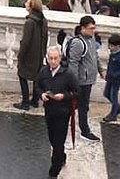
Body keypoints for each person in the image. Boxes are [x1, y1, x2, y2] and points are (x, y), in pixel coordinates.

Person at [37, 44, 78, 178]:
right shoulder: (44, 72)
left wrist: (64, 96)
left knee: (58, 142)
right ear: (47, 59)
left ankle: (54, 171)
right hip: (49, 111)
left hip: (63, 112)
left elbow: (77, 92)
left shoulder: (68, 74)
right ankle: (62, 156)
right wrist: (41, 95)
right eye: (50, 58)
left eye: (55, 58)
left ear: (60, 58)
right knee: (52, 139)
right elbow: (37, 87)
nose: (53, 61)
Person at [64, 15, 101, 141]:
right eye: (91, 28)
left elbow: (95, 56)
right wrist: (73, 83)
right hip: (81, 81)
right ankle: (85, 131)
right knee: (81, 106)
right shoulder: (78, 43)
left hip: (88, 79)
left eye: (94, 28)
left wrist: (101, 70)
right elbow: (73, 64)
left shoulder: (91, 39)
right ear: (82, 28)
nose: (93, 31)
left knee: (81, 105)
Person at [14, 0, 49, 110]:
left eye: (27, 2)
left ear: (31, 6)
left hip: (29, 54)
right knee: (36, 77)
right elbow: (45, 38)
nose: (25, 4)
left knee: (22, 75)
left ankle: (25, 102)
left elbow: (26, 41)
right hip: (39, 54)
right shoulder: (43, 20)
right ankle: (35, 100)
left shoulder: (30, 22)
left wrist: (20, 56)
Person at [102, 32, 120, 122]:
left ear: (117, 46)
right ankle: (118, 107)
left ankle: (113, 114)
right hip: (110, 78)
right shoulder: (114, 53)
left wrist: (114, 75)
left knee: (114, 96)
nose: (110, 47)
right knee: (106, 93)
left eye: (112, 46)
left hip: (116, 80)